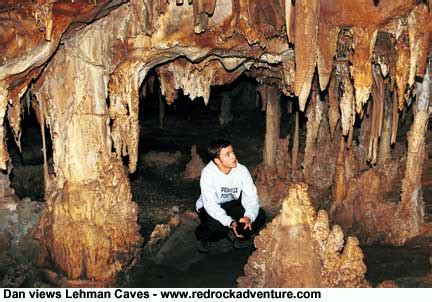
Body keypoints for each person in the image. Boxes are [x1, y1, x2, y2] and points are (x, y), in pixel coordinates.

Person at [195, 139, 266, 253]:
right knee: (214, 227)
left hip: (231, 203)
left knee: (259, 216)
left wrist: (248, 217)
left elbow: (251, 197)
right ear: (217, 161)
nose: (233, 156)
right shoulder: (208, 174)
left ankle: (237, 236)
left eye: (232, 152)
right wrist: (230, 222)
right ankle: (207, 237)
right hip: (210, 207)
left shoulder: (241, 170)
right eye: (227, 155)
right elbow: (211, 205)